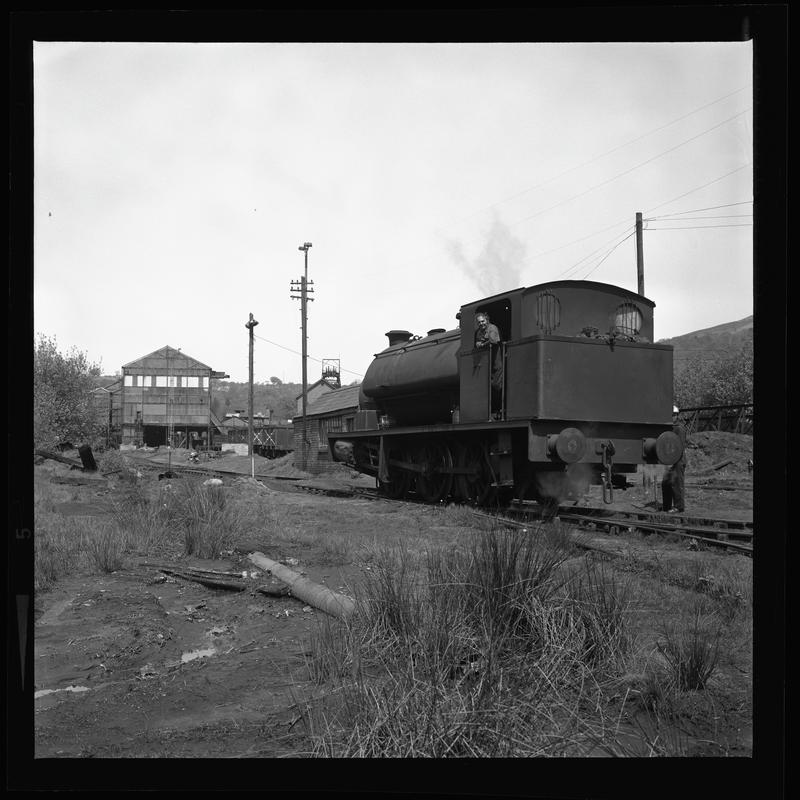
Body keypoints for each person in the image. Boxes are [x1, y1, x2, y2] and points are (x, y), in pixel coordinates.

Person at [474, 312, 503, 418]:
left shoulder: (492, 328)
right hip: (486, 364)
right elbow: (477, 343)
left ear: (487, 320)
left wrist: (482, 344)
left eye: (483, 321)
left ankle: (501, 409)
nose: (481, 323)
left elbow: (494, 341)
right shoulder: (479, 332)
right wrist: (481, 344)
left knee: (497, 385)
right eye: (479, 322)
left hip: (497, 362)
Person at [662, 423, 687, 513]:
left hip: (678, 460)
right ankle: (666, 506)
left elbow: (678, 446)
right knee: (666, 483)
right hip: (670, 460)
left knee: (677, 484)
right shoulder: (670, 428)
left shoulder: (679, 429)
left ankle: (679, 507)